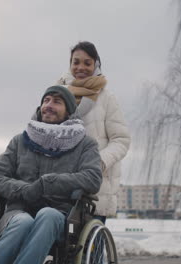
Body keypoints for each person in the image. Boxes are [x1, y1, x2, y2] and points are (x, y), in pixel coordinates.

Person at [0, 85, 102, 264]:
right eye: (46, 100)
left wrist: (49, 182)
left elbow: (92, 178)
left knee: (48, 214)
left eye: (57, 101)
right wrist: (24, 189)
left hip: (61, 215)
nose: (49, 105)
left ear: (69, 110)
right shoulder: (20, 141)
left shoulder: (85, 144)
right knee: (23, 222)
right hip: (18, 211)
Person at [56, 41, 131, 221]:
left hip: (94, 186)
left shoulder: (107, 98)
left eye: (87, 63)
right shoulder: (56, 94)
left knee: (90, 246)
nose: (80, 67)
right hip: (59, 182)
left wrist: (98, 163)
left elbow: (121, 140)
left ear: (95, 64)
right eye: (76, 62)